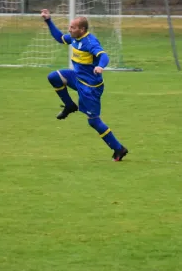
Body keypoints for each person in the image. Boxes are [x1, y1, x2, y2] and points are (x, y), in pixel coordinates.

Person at [41, 9, 129, 161]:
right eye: (70, 27)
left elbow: (103, 55)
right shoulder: (74, 38)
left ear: (82, 30)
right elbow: (60, 37)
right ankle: (69, 105)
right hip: (77, 78)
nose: (69, 30)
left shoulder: (90, 42)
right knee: (54, 77)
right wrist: (48, 20)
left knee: (93, 121)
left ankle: (118, 148)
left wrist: (101, 66)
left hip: (90, 87)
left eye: (72, 28)